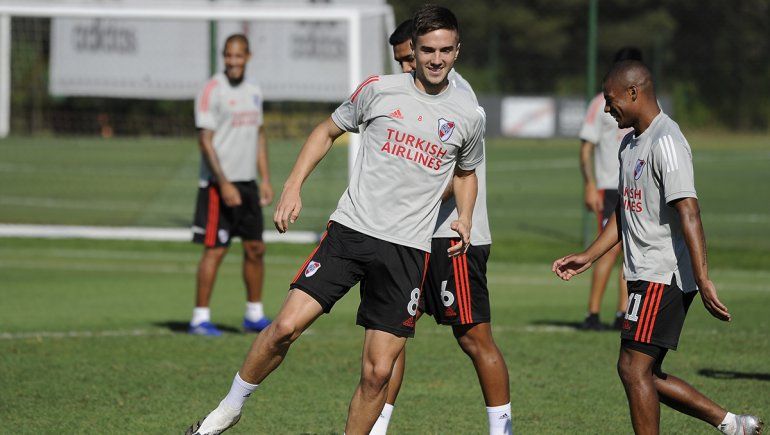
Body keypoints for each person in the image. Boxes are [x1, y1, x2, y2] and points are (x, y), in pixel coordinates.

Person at [185, 6, 485, 434]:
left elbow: (467, 173)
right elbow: (327, 130)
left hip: (408, 252)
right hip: (351, 233)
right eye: (427, 50)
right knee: (285, 328)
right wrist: (293, 185)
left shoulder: (468, 115)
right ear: (413, 52)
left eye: (445, 50)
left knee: (378, 372)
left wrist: (466, 217)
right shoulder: (379, 90)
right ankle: (227, 411)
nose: (436, 59)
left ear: (457, 51)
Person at [552, 60, 764, 435]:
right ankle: (732, 424)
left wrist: (703, 277)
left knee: (634, 369)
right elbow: (624, 210)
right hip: (642, 274)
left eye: (611, 100)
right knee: (643, 372)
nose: (606, 109)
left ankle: (729, 424)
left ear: (634, 93)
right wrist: (589, 254)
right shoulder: (631, 143)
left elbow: (690, 212)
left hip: (662, 274)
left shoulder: (666, 141)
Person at [370, 18, 511, 435]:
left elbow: (452, 177)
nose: (407, 68)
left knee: (473, 338)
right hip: (409, 237)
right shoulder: (406, 94)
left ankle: (501, 430)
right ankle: (376, 428)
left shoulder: (458, 95)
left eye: (409, 59)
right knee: (392, 339)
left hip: (452, 237)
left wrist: (402, 200)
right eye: (401, 62)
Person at [189, 34, 274, 336]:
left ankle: (254, 314)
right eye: (228, 56)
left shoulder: (254, 89)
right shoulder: (212, 89)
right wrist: (223, 183)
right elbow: (205, 141)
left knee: (255, 248)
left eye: (238, 56)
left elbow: (259, 135)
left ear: (247, 56)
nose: (233, 61)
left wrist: (264, 179)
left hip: (248, 183)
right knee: (216, 250)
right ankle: (200, 318)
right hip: (218, 185)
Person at [577, 47, 642, 331]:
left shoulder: (643, 104)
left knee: (632, 251)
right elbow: (585, 149)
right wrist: (590, 184)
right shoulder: (599, 104)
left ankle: (623, 314)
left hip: (634, 188)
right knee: (607, 250)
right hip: (608, 187)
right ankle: (592, 313)